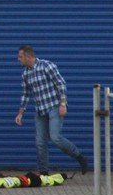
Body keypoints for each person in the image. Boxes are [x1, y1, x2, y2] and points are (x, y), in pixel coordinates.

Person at [15, 45, 88, 174]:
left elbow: (61, 83)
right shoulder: (25, 74)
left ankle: (79, 157)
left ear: (28, 56)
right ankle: (43, 172)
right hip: (40, 111)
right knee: (40, 143)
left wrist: (63, 104)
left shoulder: (46, 66)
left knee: (55, 137)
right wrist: (21, 113)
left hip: (54, 107)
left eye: (20, 56)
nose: (18, 59)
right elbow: (26, 94)